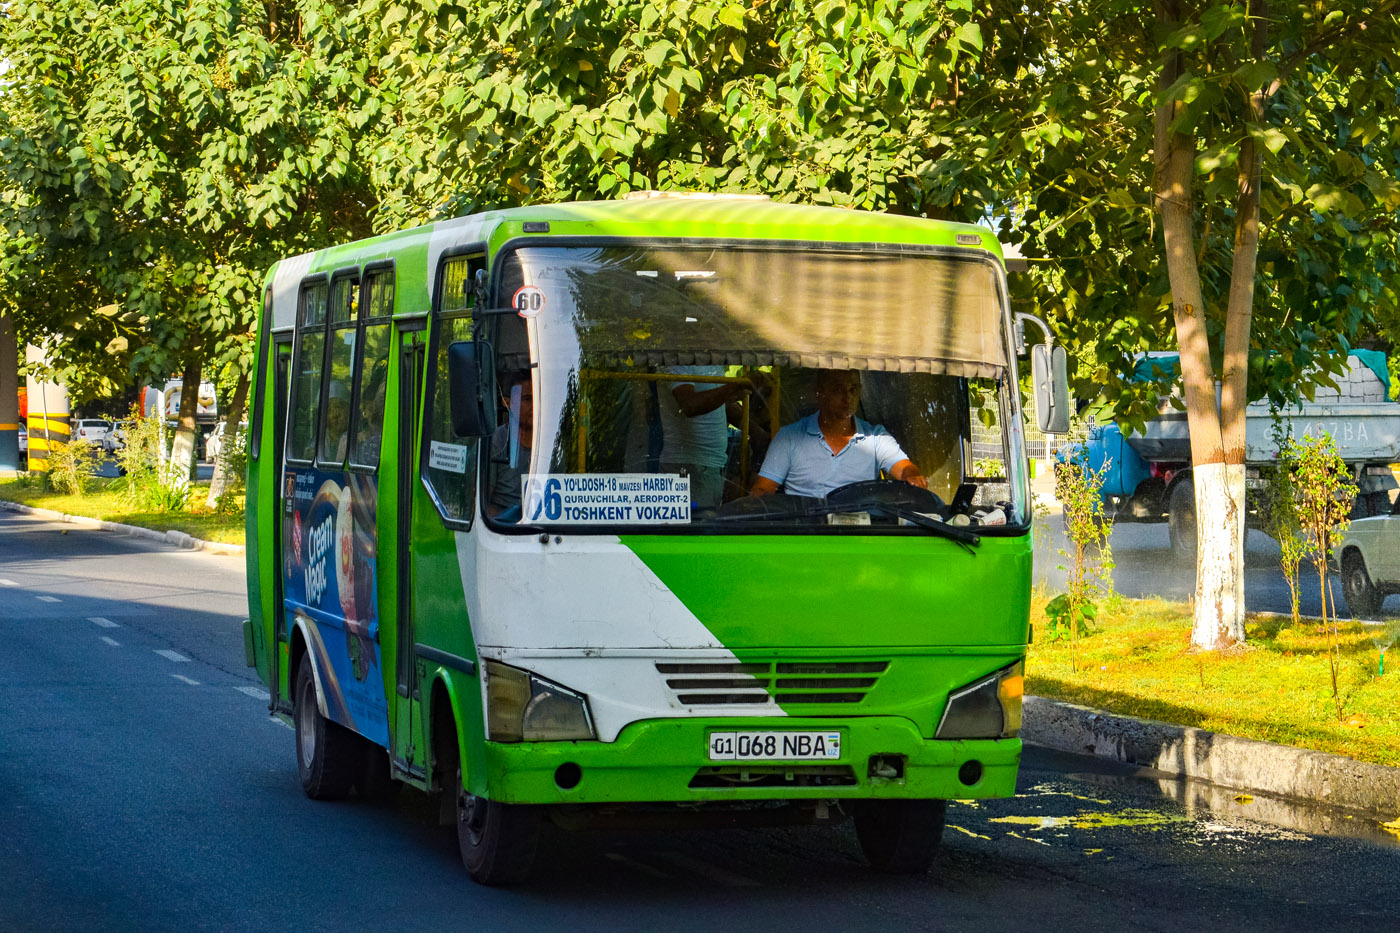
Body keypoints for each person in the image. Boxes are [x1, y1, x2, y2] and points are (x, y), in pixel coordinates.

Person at [750, 369, 926, 498]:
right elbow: (762, 491)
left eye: (853, 389)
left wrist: (912, 477)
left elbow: (904, 468)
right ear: (820, 394)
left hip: (862, 536)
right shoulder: (789, 437)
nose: (847, 398)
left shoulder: (876, 437)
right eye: (837, 390)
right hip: (805, 534)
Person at [657, 366, 760, 508]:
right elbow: (689, 405)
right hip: (689, 465)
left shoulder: (711, 363)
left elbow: (715, 405)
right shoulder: (678, 361)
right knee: (695, 527)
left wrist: (735, 392)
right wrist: (734, 386)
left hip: (710, 465)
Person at [488, 371, 533, 521]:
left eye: (539, 398)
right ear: (507, 403)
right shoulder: (496, 442)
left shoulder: (551, 444)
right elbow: (479, 503)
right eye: (528, 399)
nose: (535, 406)